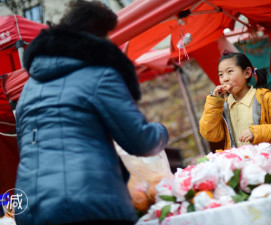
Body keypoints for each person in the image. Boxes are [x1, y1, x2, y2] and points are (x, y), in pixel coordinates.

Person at [14, 1, 169, 225]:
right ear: (98, 36)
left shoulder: (29, 88)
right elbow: (140, 142)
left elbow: (26, 148)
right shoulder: (100, 75)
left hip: (31, 208)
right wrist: (161, 131)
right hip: (88, 205)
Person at [199, 51, 271, 160]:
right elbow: (210, 134)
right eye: (221, 74)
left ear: (247, 73)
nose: (224, 79)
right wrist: (214, 101)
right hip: (243, 169)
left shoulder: (266, 98)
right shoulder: (222, 106)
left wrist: (256, 133)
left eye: (229, 71)